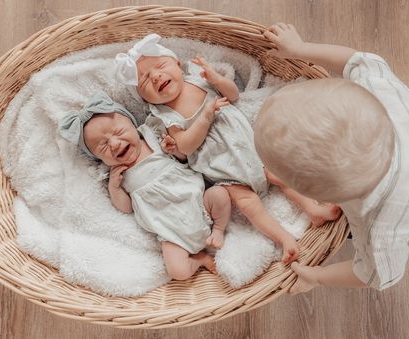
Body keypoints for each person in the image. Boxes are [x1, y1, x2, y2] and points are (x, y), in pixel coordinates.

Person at [255, 23, 409, 292]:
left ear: (317, 195)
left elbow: (373, 274)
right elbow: (357, 60)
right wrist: (301, 49)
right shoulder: (377, 92)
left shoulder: (379, 221)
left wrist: (318, 277)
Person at [114, 34, 341, 264]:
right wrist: (205, 117)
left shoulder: (198, 80)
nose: (155, 77)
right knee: (249, 205)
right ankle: (284, 239)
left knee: (278, 174)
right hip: (220, 166)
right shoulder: (162, 115)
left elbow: (232, 96)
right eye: (144, 81)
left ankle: (313, 209)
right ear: (143, 98)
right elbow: (185, 145)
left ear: (178, 65)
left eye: (160, 66)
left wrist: (218, 80)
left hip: (245, 145)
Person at [58, 91, 232, 281]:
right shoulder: (117, 175)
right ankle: (199, 259)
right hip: (170, 233)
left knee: (220, 194)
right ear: (98, 158)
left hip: (199, 203)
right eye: (103, 146)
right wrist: (115, 189)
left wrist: (173, 149)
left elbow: (185, 158)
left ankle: (218, 230)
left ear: (133, 125)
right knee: (178, 271)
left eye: (118, 132)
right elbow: (126, 208)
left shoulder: (152, 138)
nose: (115, 144)